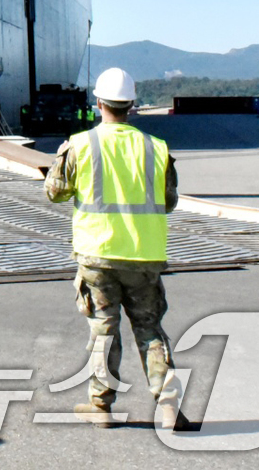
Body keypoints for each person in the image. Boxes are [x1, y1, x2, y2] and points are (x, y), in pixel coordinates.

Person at [45, 67, 190, 430]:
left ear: (98, 103)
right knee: (150, 329)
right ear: (133, 105)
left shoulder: (80, 145)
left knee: (104, 330)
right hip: (144, 256)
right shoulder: (157, 149)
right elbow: (169, 201)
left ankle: (101, 406)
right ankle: (168, 405)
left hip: (98, 254)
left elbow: (55, 192)